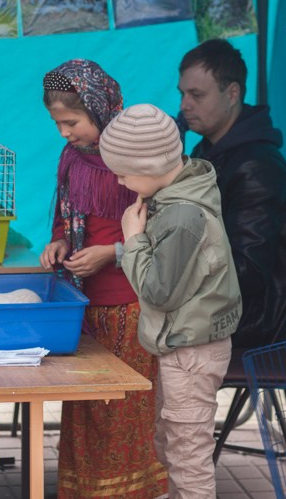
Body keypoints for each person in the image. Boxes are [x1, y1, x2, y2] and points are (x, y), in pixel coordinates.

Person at [99, 103, 242, 499]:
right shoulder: (185, 187)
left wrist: (132, 241)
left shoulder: (181, 217)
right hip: (186, 345)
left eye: (123, 173)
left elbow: (159, 292)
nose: (120, 182)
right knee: (172, 443)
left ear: (149, 165)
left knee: (188, 455)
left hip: (192, 351)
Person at [38, 60, 167, 498]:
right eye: (57, 123)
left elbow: (161, 234)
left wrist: (110, 255)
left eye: (71, 122)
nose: (63, 132)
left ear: (98, 108)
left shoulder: (136, 157)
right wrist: (59, 243)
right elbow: (66, 216)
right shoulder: (71, 158)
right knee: (85, 412)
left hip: (131, 308)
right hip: (84, 305)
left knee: (122, 414)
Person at [178, 39, 286, 349]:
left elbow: (246, 272)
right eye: (183, 94)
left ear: (232, 93)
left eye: (196, 95)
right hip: (223, 312)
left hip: (256, 323)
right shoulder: (206, 151)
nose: (184, 105)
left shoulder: (257, 167)